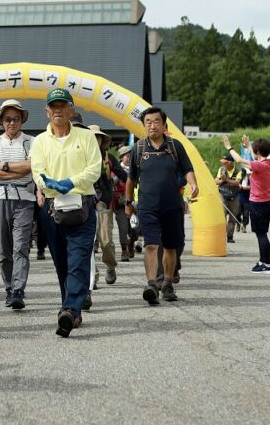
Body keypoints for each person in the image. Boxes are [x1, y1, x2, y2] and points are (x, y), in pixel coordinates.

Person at [30, 88, 101, 338]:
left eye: (62, 105)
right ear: (47, 111)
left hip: (81, 206)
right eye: (53, 106)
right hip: (52, 209)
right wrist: (49, 183)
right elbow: (37, 171)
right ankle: (72, 309)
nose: (58, 109)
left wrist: (71, 182)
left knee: (78, 260)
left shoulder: (86, 137)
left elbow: (95, 169)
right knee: (62, 262)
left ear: (72, 109)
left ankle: (69, 309)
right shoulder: (39, 141)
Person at [126, 107, 198, 305]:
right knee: (150, 245)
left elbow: (187, 169)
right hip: (147, 207)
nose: (152, 125)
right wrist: (128, 203)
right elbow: (131, 179)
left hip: (172, 207)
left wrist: (193, 184)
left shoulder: (175, 146)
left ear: (164, 124)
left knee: (170, 247)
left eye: (156, 121)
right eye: (148, 122)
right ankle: (151, 284)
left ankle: (167, 283)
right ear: (144, 125)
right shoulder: (139, 148)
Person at [0, 99, 36, 309]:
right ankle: (9, 288)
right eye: (7, 119)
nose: (12, 123)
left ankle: (18, 291)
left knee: (21, 247)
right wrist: (17, 168)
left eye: (15, 119)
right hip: (1, 198)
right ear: (2, 122)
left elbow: (29, 167)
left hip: (25, 199)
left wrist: (2, 166)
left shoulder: (33, 142)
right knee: (4, 249)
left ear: (22, 120)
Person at [222, 133, 270, 273]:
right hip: (265, 202)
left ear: (258, 152)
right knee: (261, 233)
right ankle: (263, 261)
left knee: (261, 234)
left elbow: (239, 160)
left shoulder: (260, 166)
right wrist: (249, 147)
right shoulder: (267, 163)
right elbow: (256, 158)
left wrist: (229, 147)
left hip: (258, 204)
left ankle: (267, 265)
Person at [89, 126, 127, 284]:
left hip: (105, 204)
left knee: (105, 241)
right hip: (84, 204)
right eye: (91, 137)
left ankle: (110, 266)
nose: (94, 140)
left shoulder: (109, 158)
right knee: (87, 243)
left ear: (101, 140)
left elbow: (124, 175)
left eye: (97, 137)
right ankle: (92, 277)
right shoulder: (78, 156)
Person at [216, 153, 242, 243]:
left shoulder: (238, 171)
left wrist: (226, 179)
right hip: (222, 195)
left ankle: (230, 236)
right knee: (221, 217)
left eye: (225, 162)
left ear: (230, 163)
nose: (223, 164)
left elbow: (237, 183)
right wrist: (222, 180)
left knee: (232, 217)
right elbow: (216, 181)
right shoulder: (221, 169)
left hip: (234, 197)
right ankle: (221, 236)